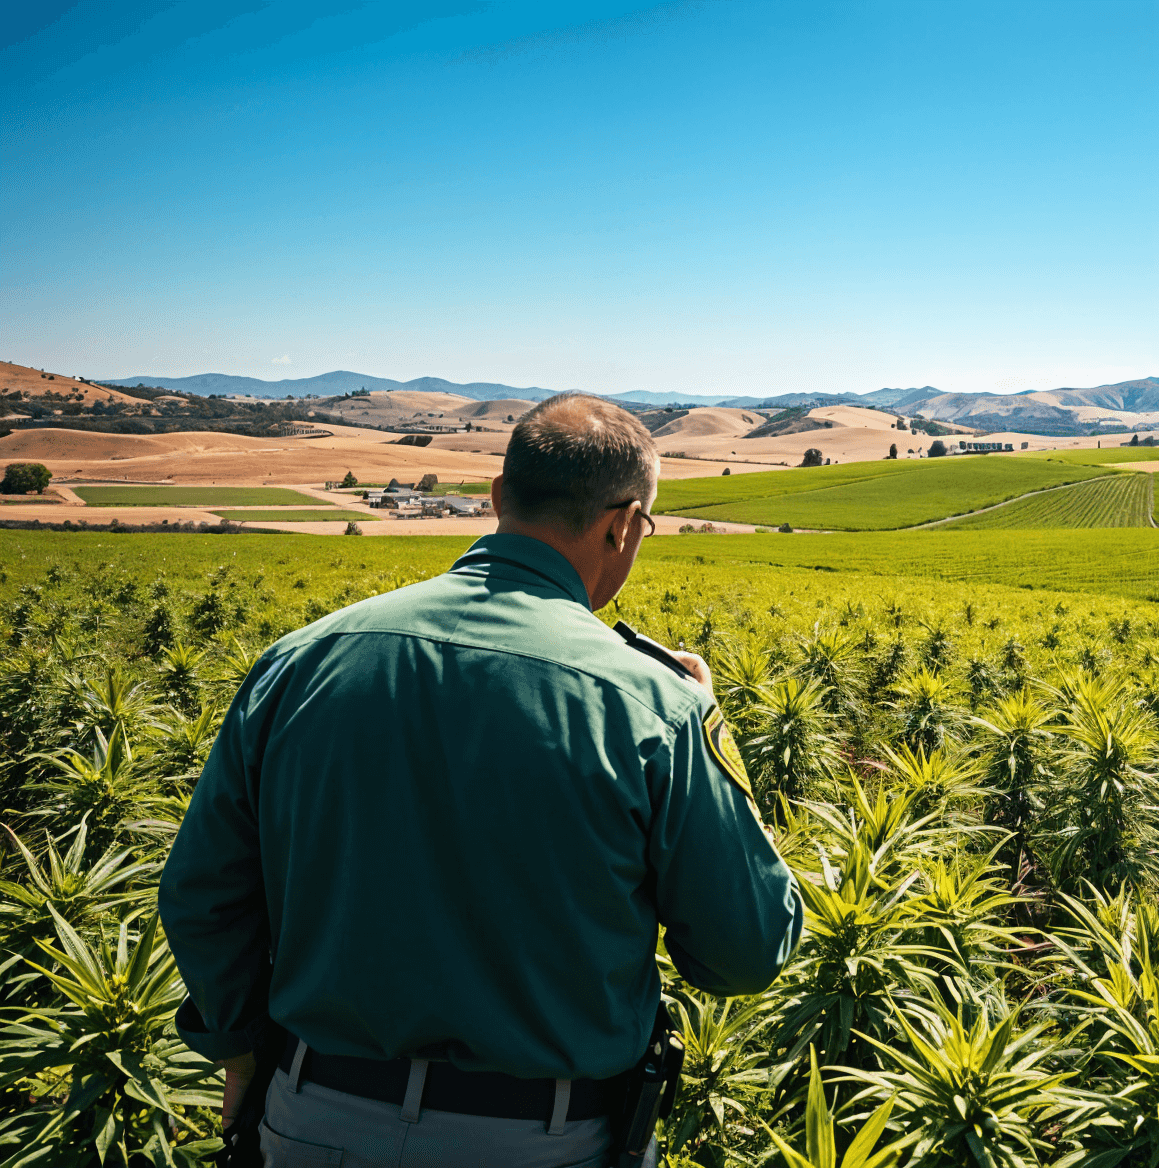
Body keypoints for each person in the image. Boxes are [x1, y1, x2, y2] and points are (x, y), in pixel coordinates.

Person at [161, 393, 802, 1165]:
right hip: (543, 1139)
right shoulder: (652, 704)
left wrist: (237, 1051)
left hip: (311, 1119)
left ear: (498, 498)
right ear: (624, 524)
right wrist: (709, 722)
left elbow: (202, 893)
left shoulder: (301, 662)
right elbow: (745, 950)